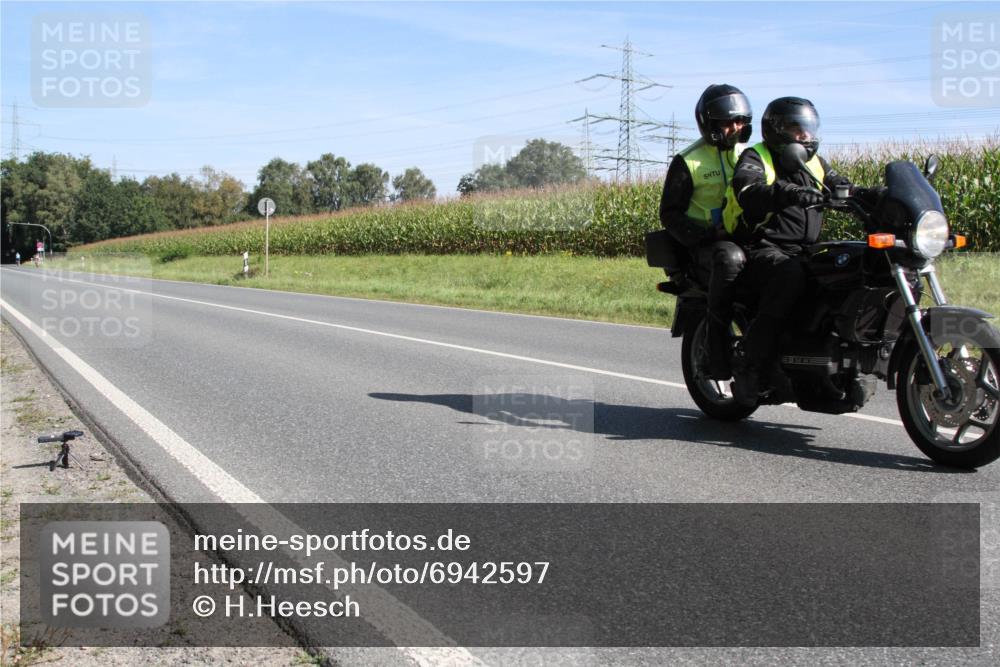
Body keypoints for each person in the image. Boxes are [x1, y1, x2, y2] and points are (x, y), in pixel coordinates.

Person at [728, 96, 856, 404]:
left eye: (809, 130)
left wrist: (868, 194)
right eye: (798, 130)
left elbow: (840, 184)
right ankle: (752, 363)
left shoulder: (815, 162)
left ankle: (825, 357)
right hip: (764, 246)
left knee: (847, 269)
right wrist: (788, 192)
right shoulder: (756, 156)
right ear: (778, 130)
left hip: (807, 249)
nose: (806, 137)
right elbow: (748, 189)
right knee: (791, 276)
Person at [659, 83, 753, 379]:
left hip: (744, 237)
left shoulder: (749, 155)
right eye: (728, 122)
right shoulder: (689, 161)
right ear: (710, 123)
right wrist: (706, 236)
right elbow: (670, 214)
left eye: (740, 121)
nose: (735, 127)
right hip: (705, 246)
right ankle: (717, 353)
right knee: (730, 262)